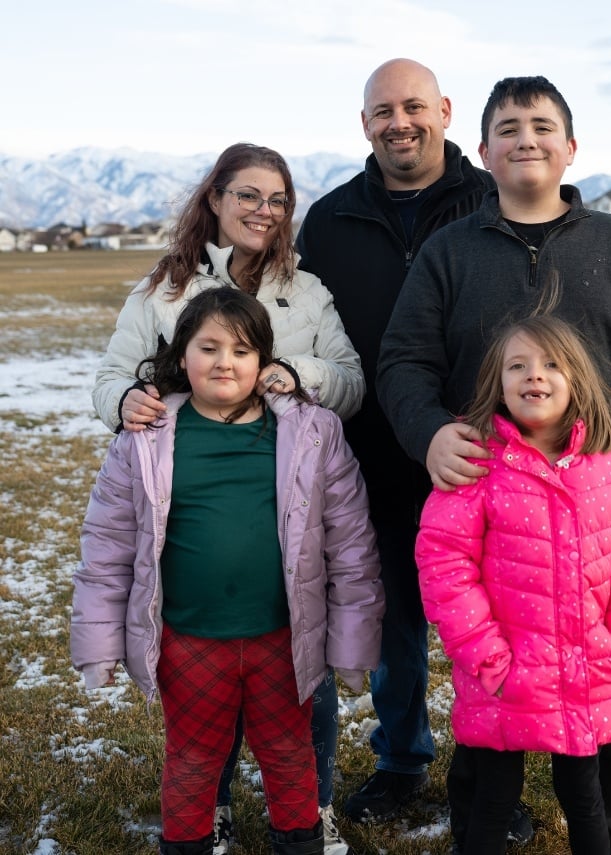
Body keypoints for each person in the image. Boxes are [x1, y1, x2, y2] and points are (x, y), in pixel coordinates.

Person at [377, 76, 611, 854]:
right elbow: (404, 358)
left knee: (597, 727)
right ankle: (485, 817)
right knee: (492, 714)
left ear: (571, 147)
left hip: (595, 516)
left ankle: (607, 819)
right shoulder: (452, 252)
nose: (526, 137)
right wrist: (429, 435)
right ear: (482, 152)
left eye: (543, 124)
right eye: (509, 127)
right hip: (496, 527)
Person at [91, 142, 364, 855]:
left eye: (276, 199)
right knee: (202, 700)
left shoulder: (305, 292)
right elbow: (111, 379)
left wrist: (291, 372)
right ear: (214, 198)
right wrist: (129, 401)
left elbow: (349, 378)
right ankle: (204, 810)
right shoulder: (164, 289)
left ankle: (314, 806)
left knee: (301, 690)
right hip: (189, 485)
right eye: (247, 195)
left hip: (284, 498)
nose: (262, 211)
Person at [295, 58, 541, 840]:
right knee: (395, 623)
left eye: (412, 107)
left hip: (485, 457)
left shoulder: (488, 199)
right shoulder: (331, 219)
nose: (398, 122)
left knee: (498, 626)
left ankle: (495, 779)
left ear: (443, 110)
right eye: (381, 111)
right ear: (363, 124)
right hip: (371, 454)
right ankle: (402, 758)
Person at [416, 315, 611, 854]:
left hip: (588, 670)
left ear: (577, 380)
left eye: (552, 364)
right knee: (492, 800)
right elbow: (444, 567)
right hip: (506, 674)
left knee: (586, 797)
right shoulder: (477, 466)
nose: (535, 376)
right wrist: (489, 660)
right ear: (497, 384)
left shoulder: (606, 467)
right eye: (518, 365)